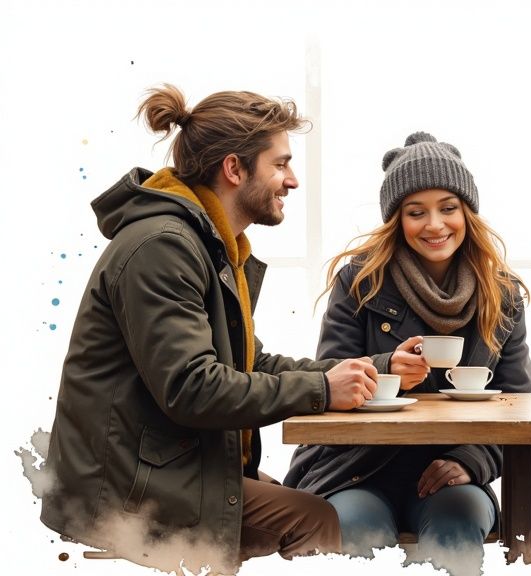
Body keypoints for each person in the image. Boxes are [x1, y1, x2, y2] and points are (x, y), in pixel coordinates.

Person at [40, 84, 381, 574]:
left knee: (301, 500)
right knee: (313, 516)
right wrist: (321, 390)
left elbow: (249, 364)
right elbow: (192, 388)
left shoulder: (210, 245)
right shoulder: (164, 248)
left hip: (164, 465)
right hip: (126, 489)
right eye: (280, 164)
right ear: (234, 169)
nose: (293, 180)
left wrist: (373, 369)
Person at [284, 131, 531, 575]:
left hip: (451, 475)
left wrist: (469, 461)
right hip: (355, 469)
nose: (434, 225)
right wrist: (384, 367)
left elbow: (519, 406)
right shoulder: (360, 281)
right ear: (397, 219)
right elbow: (325, 378)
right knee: (360, 532)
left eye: (448, 208)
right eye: (416, 212)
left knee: (457, 526)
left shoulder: (502, 296)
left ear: (467, 214)